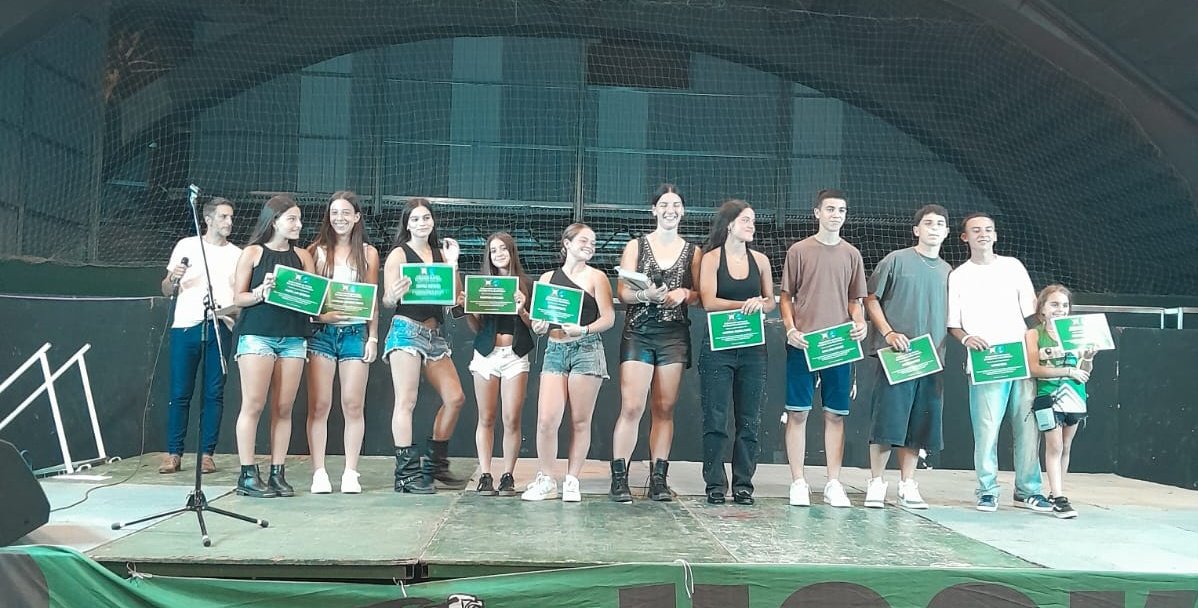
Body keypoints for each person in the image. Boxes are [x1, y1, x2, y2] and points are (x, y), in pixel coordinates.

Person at [948, 212, 1052, 513]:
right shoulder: (958, 276)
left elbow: (1033, 314)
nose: (983, 234)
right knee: (987, 430)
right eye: (976, 230)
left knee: (1028, 428)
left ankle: (1029, 490)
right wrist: (967, 339)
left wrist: (1041, 346)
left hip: (1022, 360)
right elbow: (953, 324)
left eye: (988, 229)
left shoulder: (1013, 267)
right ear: (965, 237)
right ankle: (987, 490)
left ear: (995, 235)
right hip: (986, 363)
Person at [609, 184, 700, 502]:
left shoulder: (694, 252)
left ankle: (658, 479)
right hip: (639, 331)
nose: (669, 210)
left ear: (683, 211)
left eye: (675, 205)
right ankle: (619, 478)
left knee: (664, 408)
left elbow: (701, 294)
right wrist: (644, 294)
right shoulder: (636, 246)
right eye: (664, 204)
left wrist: (685, 293)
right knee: (632, 406)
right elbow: (622, 292)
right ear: (654, 210)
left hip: (674, 334)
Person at [779, 188, 868, 508]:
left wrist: (860, 321)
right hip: (804, 344)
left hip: (839, 347)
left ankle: (833, 483)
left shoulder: (852, 255)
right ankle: (798, 482)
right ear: (817, 212)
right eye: (830, 209)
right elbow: (786, 297)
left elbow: (855, 301)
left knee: (835, 414)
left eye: (841, 210)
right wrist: (790, 329)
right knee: (797, 413)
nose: (835, 215)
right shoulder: (799, 251)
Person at [862, 204, 951, 509]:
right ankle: (876, 482)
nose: (933, 228)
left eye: (939, 224)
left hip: (930, 361)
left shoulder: (949, 272)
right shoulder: (895, 260)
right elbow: (870, 299)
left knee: (918, 425)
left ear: (947, 232)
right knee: (886, 424)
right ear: (916, 230)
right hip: (895, 358)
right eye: (928, 223)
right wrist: (888, 333)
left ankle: (907, 484)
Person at [521, 223, 616, 502]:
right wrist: (538, 325)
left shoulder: (597, 277)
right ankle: (546, 479)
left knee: (580, 421)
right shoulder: (548, 277)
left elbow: (608, 318)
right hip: (554, 349)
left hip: (586, 349)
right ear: (567, 243)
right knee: (546, 420)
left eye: (593, 242)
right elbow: (539, 320)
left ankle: (572, 479)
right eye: (584, 240)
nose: (590, 246)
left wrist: (583, 330)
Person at [231, 194, 315, 498]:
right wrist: (260, 292)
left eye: (299, 219)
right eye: (292, 219)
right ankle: (247, 474)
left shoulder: (303, 256)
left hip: (293, 337)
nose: (298, 224)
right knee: (253, 404)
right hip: (257, 335)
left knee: (283, 407)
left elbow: (313, 297)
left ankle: (277, 472)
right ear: (274, 221)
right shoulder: (252, 253)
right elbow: (238, 298)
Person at [382, 198, 466, 494]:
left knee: (455, 397)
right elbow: (387, 300)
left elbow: (455, 299)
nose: (421, 223)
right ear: (407, 224)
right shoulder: (399, 254)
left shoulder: (440, 254)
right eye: (415, 218)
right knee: (406, 401)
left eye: (426, 217)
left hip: (434, 334)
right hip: (406, 330)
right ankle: (405, 475)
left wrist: (454, 264)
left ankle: (434, 466)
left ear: (432, 221)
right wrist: (392, 295)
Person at [697, 199, 775, 506]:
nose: (751, 225)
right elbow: (709, 301)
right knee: (716, 418)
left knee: (749, 419)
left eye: (753, 220)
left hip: (753, 350)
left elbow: (770, 301)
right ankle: (715, 483)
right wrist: (746, 305)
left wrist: (761, 303)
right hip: (719, 348)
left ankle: (743, 484)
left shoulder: (761, 260)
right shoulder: (711, 259)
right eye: (746, 220)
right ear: (730, 225)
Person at [304, 191, 380, 495]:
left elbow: (373, 299)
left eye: (346, 212)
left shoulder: (369, 253)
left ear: (357, 217)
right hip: (322, 335)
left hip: (355, 333)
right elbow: (308, 299)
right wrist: (322, 317)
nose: (340, 218)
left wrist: (372, 336)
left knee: (353, 403)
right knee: (319, 405)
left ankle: (351, 472)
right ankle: (319, 472)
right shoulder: (314, 251)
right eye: (335, 212)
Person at [159, 197, 241, 475]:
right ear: (208, 219)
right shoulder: (187, 246)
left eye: (231, 217)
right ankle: (174, 453)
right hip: (186, 325)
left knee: (214, 393)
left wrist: (229, 312)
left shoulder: (237, 254)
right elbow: (166, 289)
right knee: (180, 392)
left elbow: (239, 300)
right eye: (224, 217)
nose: (229, 222)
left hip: (219, 326)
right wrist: (174, 278)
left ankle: (207, 454)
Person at [463, 232, 533, 497]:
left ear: (512, 251)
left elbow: (535, 325)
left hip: (515, 355)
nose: (499, 254)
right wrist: (469, 309)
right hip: (486, 355)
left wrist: (522, 309)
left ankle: (508, 475)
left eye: (503, 249)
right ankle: (485, 474)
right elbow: (475, 326)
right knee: (486, 417)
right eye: (493, 250)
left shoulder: (527, 284)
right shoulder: (482, 285)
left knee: (512, 418)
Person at [1025, 284, 1094, 519]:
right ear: (1042, 308)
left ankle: (1057, 492)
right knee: (1053, 446)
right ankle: (1059, 498)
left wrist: (1088, 358)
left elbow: (1085, 370)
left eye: (1064, 305)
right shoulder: (1034, 334)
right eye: (1054, 304)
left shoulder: (1076, 333)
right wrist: (1067, 371)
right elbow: (1035, 368)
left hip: (1075, 396)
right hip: (1048, 397)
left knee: (1066, 445)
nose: (1060, 309)